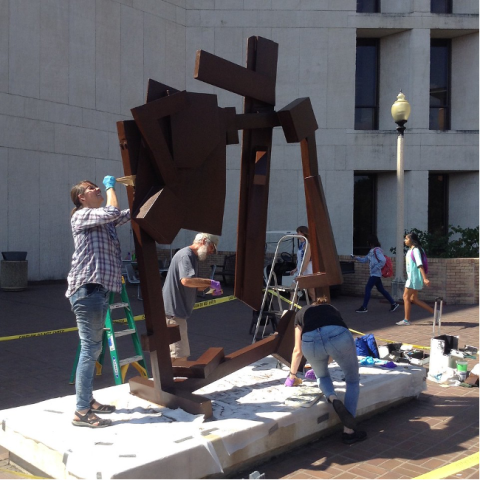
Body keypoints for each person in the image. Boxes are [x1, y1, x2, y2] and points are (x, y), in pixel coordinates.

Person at [66, 176, 130, 428]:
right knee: (90, 349)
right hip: (88, 290)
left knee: (92, 348)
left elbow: (125, 214)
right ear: (82, 197)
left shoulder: (103, 221)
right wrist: (111, 187)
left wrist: (137, 189)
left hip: (98, 292)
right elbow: (113, 210)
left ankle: (87, 400)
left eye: (99, 186)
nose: (97, 190)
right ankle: (82, 411)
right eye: (92, 189)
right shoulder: (81, 215)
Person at [285, 297, 367, 445]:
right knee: (352, 380)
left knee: (322, 376)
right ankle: (349, 432)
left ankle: (332, 398)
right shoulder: (332, 310)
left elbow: (297, 350)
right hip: (337, 335)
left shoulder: (302, 313)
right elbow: (331, 350)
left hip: (310, 341)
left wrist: (292, 376)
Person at [163, 233, 222, 361]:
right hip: (173, 313)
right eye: (212, 248)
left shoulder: (193, 257)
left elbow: (196, 285)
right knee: (179, 356)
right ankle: (176, 380)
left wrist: (210, 288)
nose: (211, 252)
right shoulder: (186, 255)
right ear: (204, 241)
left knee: (173, 354)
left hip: (175, 312)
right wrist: (210, 282)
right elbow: (186, 281)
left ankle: (170, 379)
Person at [352, 234, 399, 314]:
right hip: (375, 274)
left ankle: (364, 307)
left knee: (368, 288)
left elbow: (383, 260)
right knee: (381, 289)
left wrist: (376, 268)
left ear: (371, 242)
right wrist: (356, 258)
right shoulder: (372, 251)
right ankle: (393, 303)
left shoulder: (376, 250)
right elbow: (364, 260)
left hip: (375, 274)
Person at [396, 232, 433, 326]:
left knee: (405, 297)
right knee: (414, 299)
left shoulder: (416, 250)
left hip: (413, 278)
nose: (405, 240)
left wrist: (425, 278)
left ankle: (406, 320)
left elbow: (419, 264)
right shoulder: (410, 250)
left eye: (406, 239)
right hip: (412, 278)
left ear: (412, 240)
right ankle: (435, 313)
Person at [289, 226, 314, 301]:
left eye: (298, 232)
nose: (297, 234)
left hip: (307, 271)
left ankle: (319, 307)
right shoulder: (301, 245)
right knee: (293, 290)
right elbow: (300, 260)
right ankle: (291, 310)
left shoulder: (307, 244)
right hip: (300, 271)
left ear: (303, 233)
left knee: (312, 292)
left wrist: (301, 272)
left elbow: (306, 260)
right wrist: (296, 269)